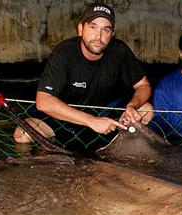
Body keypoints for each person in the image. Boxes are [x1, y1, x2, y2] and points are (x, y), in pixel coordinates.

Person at [22, 2, 152, 144]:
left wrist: (132, 106)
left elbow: (143, 85)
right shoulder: (64, 53)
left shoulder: (119, 51)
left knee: (146, 110)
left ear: (112, 35)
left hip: (105, 116)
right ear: (80, 29)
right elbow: (43, 102)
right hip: (65, 118)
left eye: (106, 30)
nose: (99, 36)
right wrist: (91, 121)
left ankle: (117, 148)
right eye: (92, 27)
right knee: (22, 134)